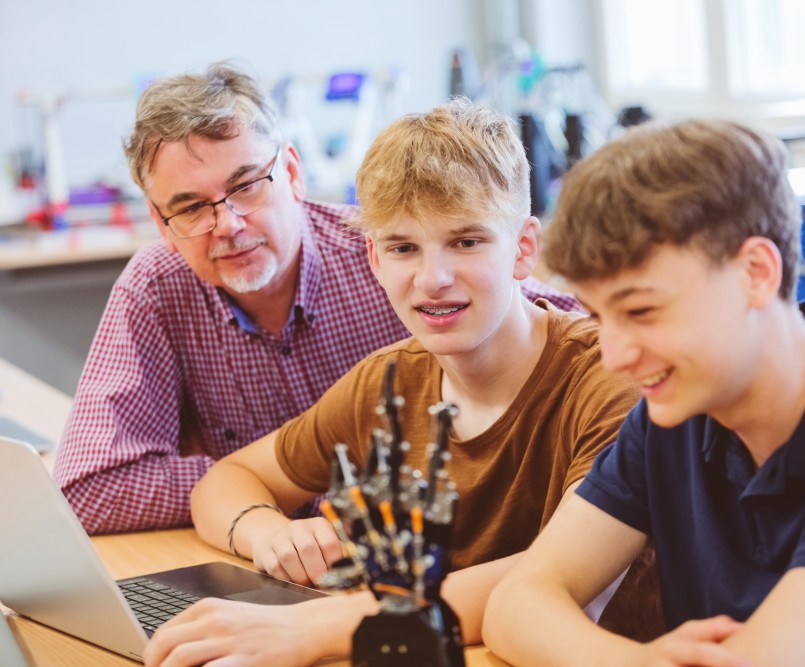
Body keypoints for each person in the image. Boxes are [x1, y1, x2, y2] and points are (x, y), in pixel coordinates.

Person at [142, 98, 642, 667]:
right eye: (403, 248)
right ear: (374, 259)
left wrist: (314, 626)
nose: (433, 279)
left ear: (524, 249)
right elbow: (228, 479)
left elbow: (549, 576)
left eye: (467, 241)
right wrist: (270, 535)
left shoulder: (611, 378)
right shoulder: (388, 381)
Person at [484, 118, 805, 667]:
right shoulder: (674, 416)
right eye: (599, 316)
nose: (614, 356)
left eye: (641, 312)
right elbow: (515, 604)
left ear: (755, 271)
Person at [52, 63, 574, 535]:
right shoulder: (158, 287)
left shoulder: (394, 252)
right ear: (161, 224)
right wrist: (266, 484)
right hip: (293, 558)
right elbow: (87, 488)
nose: (228, 225)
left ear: (293, 174)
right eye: (190, 208)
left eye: (248, 186)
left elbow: (559, 326)